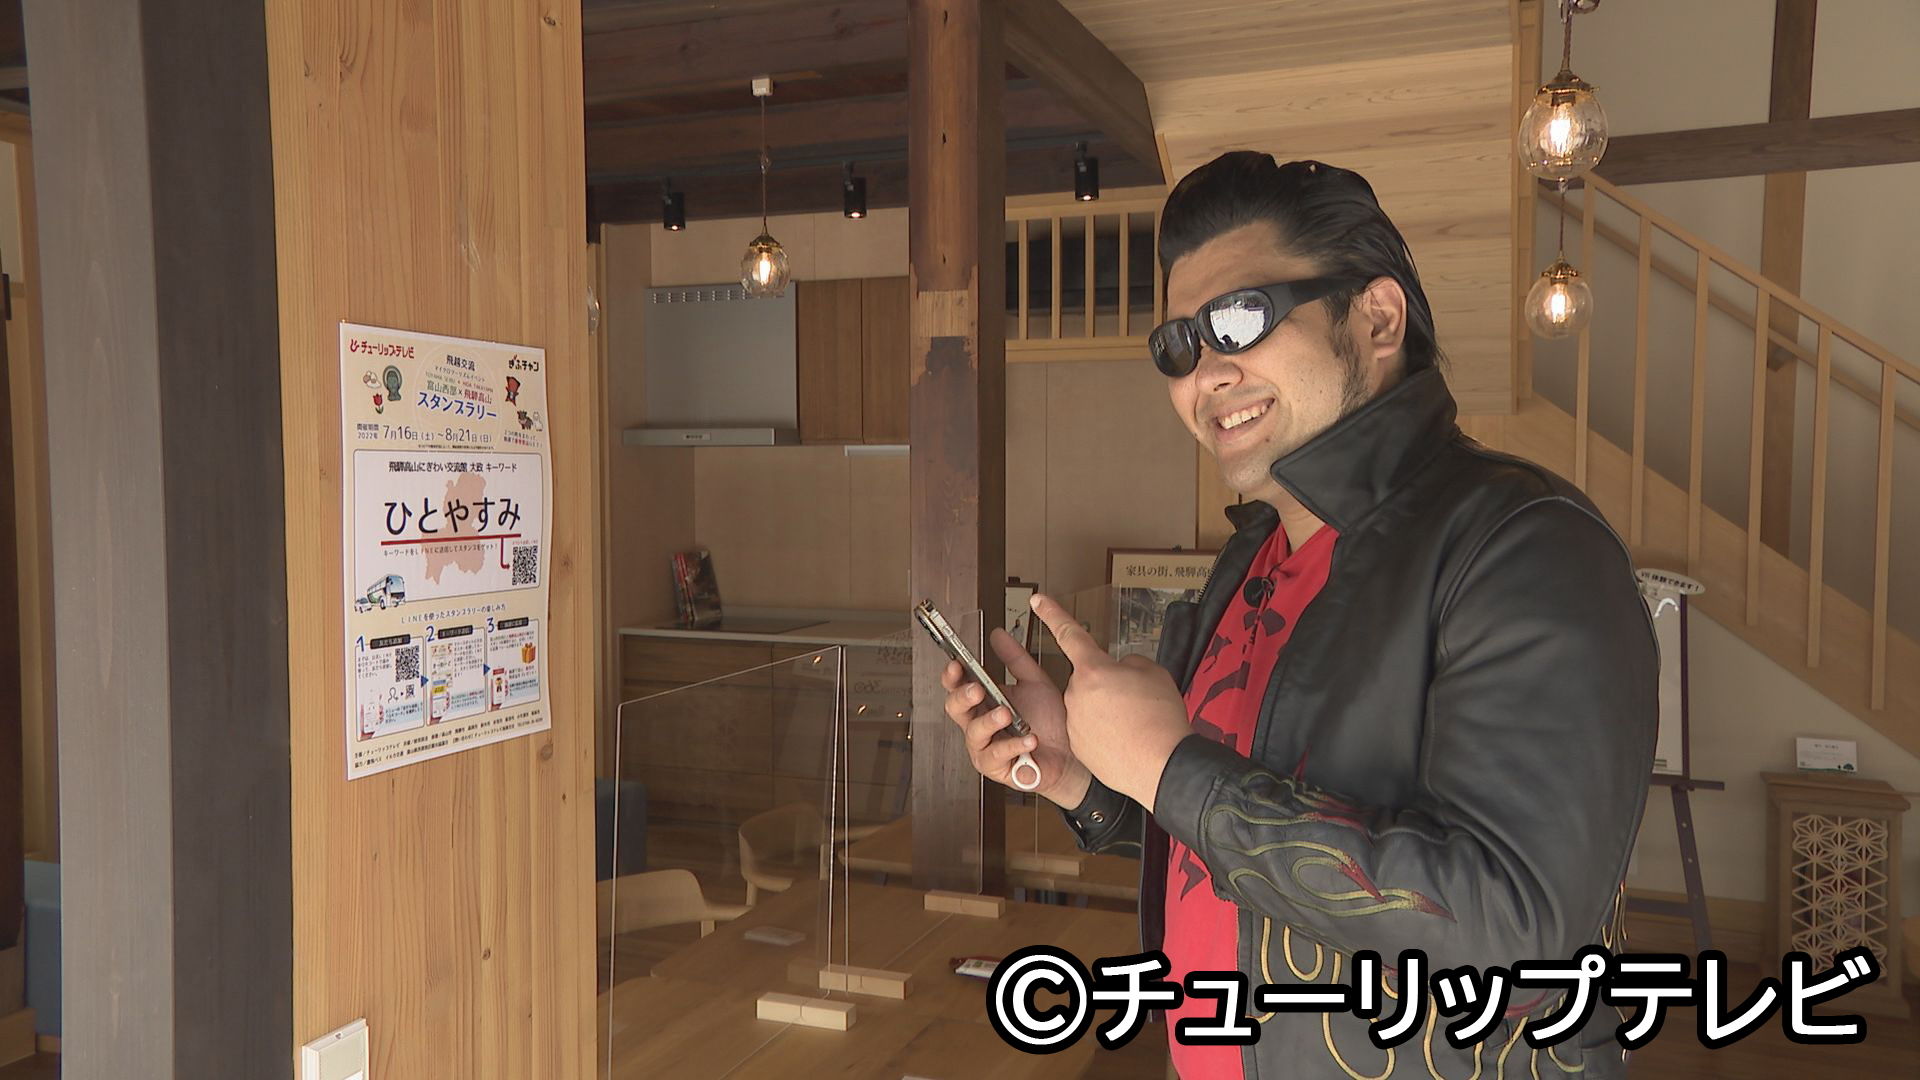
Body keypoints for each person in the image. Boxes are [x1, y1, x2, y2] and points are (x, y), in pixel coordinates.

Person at [943, 152, 1657, 1079]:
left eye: (1240, 319)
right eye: (1177, 346)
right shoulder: (1249, 560)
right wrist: (1085, 778)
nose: (1206, 373)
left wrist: (1167, 766)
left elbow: (1514, 937)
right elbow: (1232, 846)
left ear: (1378, 317)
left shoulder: (1524, 545)